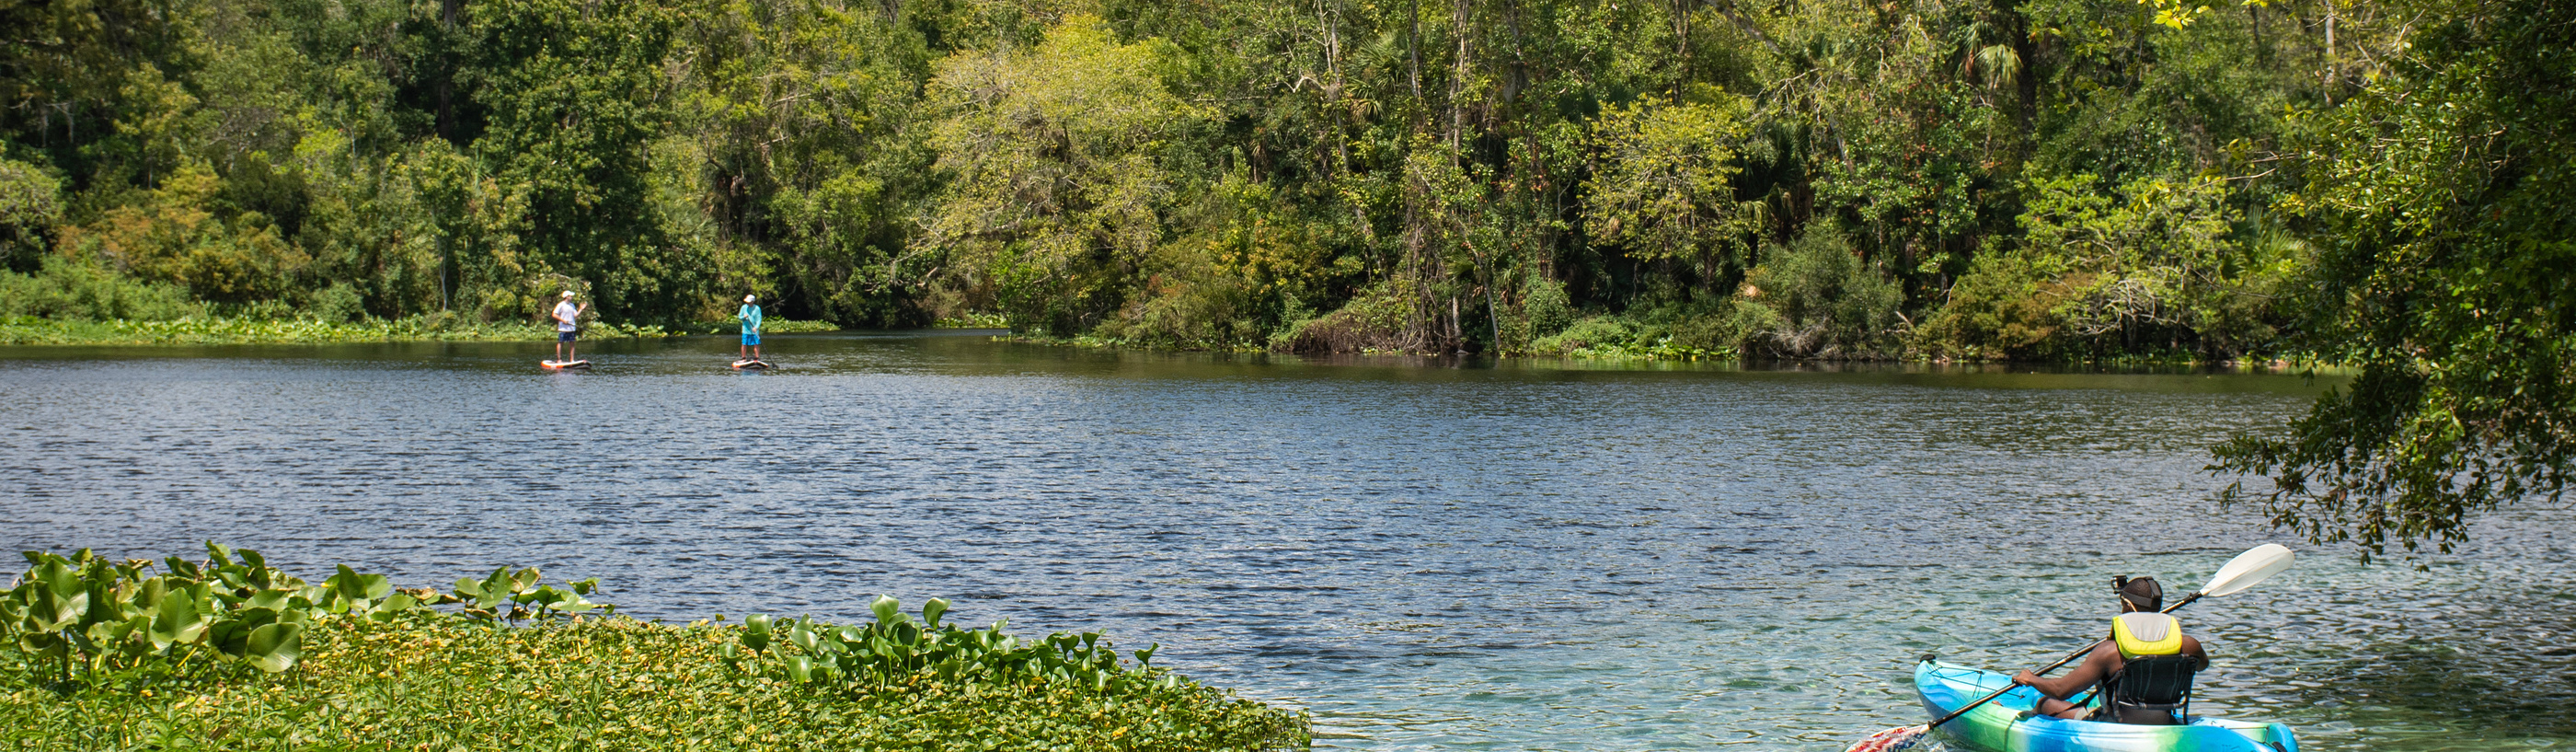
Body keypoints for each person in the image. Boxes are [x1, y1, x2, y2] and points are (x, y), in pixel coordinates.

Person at [2011, 576, 2210, 724]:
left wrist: (2030, 678)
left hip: (2115, 726)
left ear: (2127, 606)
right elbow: (2202, 666)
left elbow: (2061, 690)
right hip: (2165, 724)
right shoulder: (2189, 645)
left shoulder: (2109, 652)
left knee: (2046, 702)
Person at [551, 290, 587, 363]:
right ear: (566, 297)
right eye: (570, 296)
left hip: (571, 328)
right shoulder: (561, 305)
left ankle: (572, 359)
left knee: (572, 343)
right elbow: (554, 314)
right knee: (561, 343)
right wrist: (563, 320)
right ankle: (559, 359)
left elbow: (575, 316)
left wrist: (581, 309)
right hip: (563, 328)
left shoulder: (572, 305)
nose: (572, 297)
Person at [737, 294, 763, 362]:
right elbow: (740, 317)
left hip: (754, 330)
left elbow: (759, 319)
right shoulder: (743, 307)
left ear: (752, 301)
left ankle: (757, 358)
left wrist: (756, 327)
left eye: (749, 302)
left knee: (756, 344)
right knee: (744, 344)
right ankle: (743, 358)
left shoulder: (757, 308)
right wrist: (744, 317)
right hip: (746, 330)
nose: (747, 303)